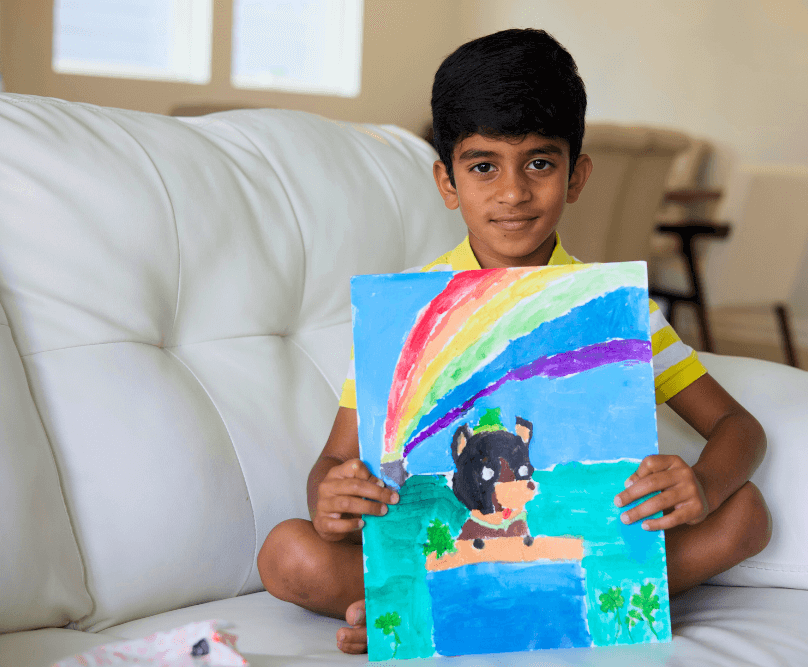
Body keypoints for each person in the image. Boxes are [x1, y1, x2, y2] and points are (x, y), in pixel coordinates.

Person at [257, 28, 770, 655]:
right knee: (288, 552)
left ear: (576, 176)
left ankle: (434, 611)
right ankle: (461, 603)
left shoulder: (613, 310)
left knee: (746, 513)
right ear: (447, 182)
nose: (513, 193)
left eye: (539, 163)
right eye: (482, 167)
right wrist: (332, 497)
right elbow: (333, 463)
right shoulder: (404, 315)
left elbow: (738, 428)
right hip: (447, 545)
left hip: (567, 544)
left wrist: (702, 486)